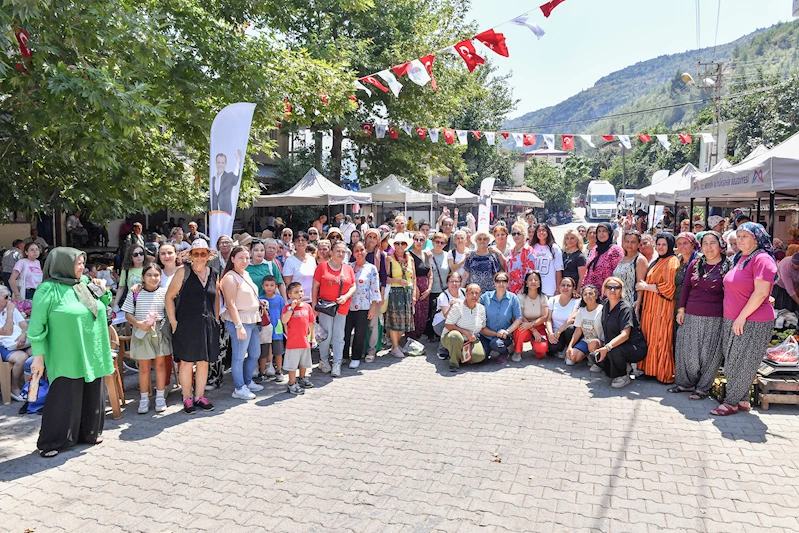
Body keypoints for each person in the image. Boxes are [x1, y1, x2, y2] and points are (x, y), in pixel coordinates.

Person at [28, 248, 113, 457]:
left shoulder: (83, 283)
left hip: (92, 350)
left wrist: (103, 289)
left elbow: (103, 304)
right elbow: (36, 328)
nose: (82, 267)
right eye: (78, 263)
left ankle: (88, 433)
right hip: (66, 353)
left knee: (92, 391)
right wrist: (38, 359)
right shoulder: (48, 289)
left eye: (83, 263)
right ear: (63, 265)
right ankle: (53, 441)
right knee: (64, 396)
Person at [712, 223, 778, 416]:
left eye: (745, 236)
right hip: (734, 318)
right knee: (733, 361)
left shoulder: (762, 259)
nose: (740, 240)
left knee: (744, 362)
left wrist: (741, 317)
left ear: (756, 239)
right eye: (738, 236)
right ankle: (742, 400)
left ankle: (731, 402)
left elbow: (760, 293)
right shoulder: (741, 258)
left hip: (753, 321)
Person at [671, 231, 730, 399]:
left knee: (709, 354)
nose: (709, 247)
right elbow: (685, 289)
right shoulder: (696, 263)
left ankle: (703, 388)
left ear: (720, 245)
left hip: (716, 316)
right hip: (691, 313)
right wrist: (681, 309)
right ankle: (686, 384)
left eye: (713, 243)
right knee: (688, 351)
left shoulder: (727, 265)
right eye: (705, 243)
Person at [165, 239, 219, 414]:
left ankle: (200, 396)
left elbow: (216, 298)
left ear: (208, 256)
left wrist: (216, 319)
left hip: (207, 323)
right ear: (190, 256)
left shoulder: (214, 273)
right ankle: (187, 397)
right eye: (196, 254)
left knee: (204, 362)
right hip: (187, 324)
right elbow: (169, 297)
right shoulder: (183, 272)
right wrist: (173, 322)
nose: (200, 257)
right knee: (187, 362)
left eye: (203, 254)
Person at [122, 263, 171, 413]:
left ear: (160, 276)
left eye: (156, 275)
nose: (153, 278)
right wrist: (138, 323)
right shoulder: (135, 293)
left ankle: (160, 397)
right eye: (149, 275)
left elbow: (169, 311)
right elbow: (127, 313)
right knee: (143, 368)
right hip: (141, 333)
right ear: (143, 277)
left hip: (159, 332)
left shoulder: (164, 293)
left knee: (160, 366)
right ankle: (143, 399)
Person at [221, 246, 264, 401]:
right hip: (239, 322)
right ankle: (239, 388)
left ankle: (247, 381)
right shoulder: (230, 278)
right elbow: (230, 304)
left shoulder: (245, 274)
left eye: (247, 258)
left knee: (254, 354)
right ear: (232, 259)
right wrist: (239, 326)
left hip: (252, 320)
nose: (245, 261)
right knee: (239, 356)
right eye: (241, 257)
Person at [637, 233, 680, 384]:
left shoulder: (672, 261)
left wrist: (645, 287)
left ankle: (663, 373)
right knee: (649, 338)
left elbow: (669, 288)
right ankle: (649, 370)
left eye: (664, 244)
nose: (661, 247)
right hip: (651, 308)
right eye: (659, 244)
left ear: (669, 246)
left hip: (662, 309)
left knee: (661, 340)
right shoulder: (659, 260)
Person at [591, 277, 649, 388]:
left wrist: (607, 347)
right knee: (594, 356)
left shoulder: (625, 308)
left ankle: (623, 375)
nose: (612, 290)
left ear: (621, 290)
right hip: (615, 345)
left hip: (634, 347)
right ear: (604, 290)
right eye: (609, 287)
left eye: (616, 287)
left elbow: (625, 335)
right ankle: (623, 365)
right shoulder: (606, 304)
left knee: (614, 351)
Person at [312, 241, 356, 376]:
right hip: (326, 306)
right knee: (326, 335)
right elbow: (315, 287)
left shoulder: (348, 268)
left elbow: (353, 285)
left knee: (339, 335)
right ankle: (324, 360)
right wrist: (314, 306)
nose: (341, 254)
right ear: (331, 252)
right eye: (338, 251)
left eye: (343, 251)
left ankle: (337, 362)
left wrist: (346, 296)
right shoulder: (322, 267)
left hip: (342, 306)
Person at [343, 242, 381, 369]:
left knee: (360, 333)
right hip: (347, 306)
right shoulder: (348, 267)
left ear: (365, 251)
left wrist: (373, 307)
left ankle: (355, 357)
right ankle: (344, 356)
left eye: (361, 250)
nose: (359, 253)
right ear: (353, 253)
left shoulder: (371, 268)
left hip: (363, 306)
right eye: (356, 250)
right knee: (345, 332)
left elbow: (375, 288)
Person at [384, 234, 417, 359]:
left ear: (406, 245)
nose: (400, 246)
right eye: (397, 243)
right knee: (395, 321)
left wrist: (413, 293)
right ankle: (395, 345)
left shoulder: (410, 258)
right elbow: (385, 278)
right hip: (395, 291)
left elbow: (413, 277)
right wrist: (397, 281)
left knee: (404, 322)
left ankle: (395, 346)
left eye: (403, 243)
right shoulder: (389, 259)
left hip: (407, 292)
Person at [479, 271, 522, 364]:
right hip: (486, 334)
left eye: (504, 281)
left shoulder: (513, 298)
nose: (501, 283)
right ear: (494, 283)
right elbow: (473, 307)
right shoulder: (485, 297)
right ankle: (489, 350)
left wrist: (507, 331)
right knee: (481, 358)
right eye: (498, 281)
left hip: (504, 336)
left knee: (495, 344)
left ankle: (505, 352)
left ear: (508, 283)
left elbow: (519, 318)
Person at [442, 283, 487, 372]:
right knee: (455, 336)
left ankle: (459, 354)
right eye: (471, 293)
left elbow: (483, 327)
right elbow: (448, 325)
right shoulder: (458, 306)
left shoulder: (481, 308)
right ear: (466, 294)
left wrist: (497, 333)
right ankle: (454, 363)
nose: (474, 295)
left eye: (477, 293)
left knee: (479, 356)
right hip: (452, 337)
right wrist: (466, 333)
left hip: (470, 339)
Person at [281, 282, 315, 395]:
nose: (300, 294)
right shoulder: (287, 308)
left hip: (305, 341)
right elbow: (284, 320)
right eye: (296, 292)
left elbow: (311, 323)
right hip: (293, 342)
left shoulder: (307, 307)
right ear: (290, 295)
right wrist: (292, 307)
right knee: (292, 365)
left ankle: (302, 378)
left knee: (304, 363)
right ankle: (291, 384)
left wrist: (312, 338)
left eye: (301, 291)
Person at [361, 228, 388, 360]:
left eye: (374, 237)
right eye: (369, 237)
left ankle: (371, 349)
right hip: (359, 294)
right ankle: (359, 349)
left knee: (373, 323)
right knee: (360, 323)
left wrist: (381, 296)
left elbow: (383, 277)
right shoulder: (360, 252)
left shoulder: (381, 255)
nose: (371, 240)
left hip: (374, 294)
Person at [0, 285, 32, 401]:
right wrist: (9, 312)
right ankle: (14, 387)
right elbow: (7, 331)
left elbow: (24, 325)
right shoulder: (10, 309)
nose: (9, 300)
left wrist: (23, 334)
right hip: (3, 346)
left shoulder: (12, 309)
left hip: (20, 342)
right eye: (6, 297)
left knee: (37, 351)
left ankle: (34, 387)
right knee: (21, 357)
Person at [512, 270, 548, 360]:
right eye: (530, 279)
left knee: (542, 349)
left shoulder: (543, 297)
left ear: (539, 283)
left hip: (538, 326)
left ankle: (535, 347)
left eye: (536, 280)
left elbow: (544, 317)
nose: (533, 282)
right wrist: (532, 329)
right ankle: (517, 352)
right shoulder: (521, 297)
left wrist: (533, 326)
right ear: (526, 283)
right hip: (524, 324)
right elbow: (520, 315)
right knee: (519, 330)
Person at [256, 275, 286, 384]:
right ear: (263, 286)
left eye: (272, 285)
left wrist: (285, 328)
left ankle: (279, 371)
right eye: (267, 285)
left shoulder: (279, 299)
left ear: (276, 286)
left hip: (277, 328)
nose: (269, 287)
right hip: (264, 328)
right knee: (263, 352)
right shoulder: (260, 299)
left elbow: (283, 313)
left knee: (278, 351)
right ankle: (262, 372)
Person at [565, 285, 604, 367]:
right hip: (586, 340)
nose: (588, 296)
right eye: (585, 294)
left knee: (592, 343)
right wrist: (570, 346)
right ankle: (588, 355)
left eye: (590, 293)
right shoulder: (581, 311)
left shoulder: (602, 310)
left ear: (596, 295)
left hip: (600, 341)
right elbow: (578, 331)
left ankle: (596, 361)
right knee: (572, 358)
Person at [581, 223, 623, 295]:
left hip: (607, 293)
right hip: (591, 294)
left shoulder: (615, 250)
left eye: (604, 231)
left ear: (609, 233)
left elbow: (618, 274)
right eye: (599, 231)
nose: (601, 234)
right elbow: (588, 272)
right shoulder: (595, 249)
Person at [612, 230, 649, 313]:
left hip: (630, 302)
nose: (629, 245)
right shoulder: (623, 258)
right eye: (627, 241)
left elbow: (641, 283)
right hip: (618, 301)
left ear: (639, 244)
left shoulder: (640, 260)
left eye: (633, 242)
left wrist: (638, 302)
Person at [432, 272, 466, 359]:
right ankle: (442, 350)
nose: (454, 284)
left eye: (457, 281)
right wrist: (451, 307)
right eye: (451, 281)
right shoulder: (443, 296)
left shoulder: (464, 292)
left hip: (458, 321)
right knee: (454, 327)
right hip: (440, 324)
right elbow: (447, 316)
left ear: (460, 283)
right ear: (447, 283)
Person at [546, 277, 580, 358]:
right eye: (563, 285)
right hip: (555, 333)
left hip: (567, 333)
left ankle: (568, 348)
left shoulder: (577, 301)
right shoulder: (552, 300)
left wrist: (559, 331)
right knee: (553, 347)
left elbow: (571, 319)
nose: (565, 287)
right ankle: (560, 349)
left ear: (573, 288)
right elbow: (548, 319)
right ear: (559, 287)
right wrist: (551, 334)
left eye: (568, 285)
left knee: (570, 329)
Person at [409, 232, 433, 340]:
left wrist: (429, 288)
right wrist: (416, 288)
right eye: (416, 239)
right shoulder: (409, 255)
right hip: (415, 288)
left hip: (425, 290)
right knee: (414, 314)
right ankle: (411, 338)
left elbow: (430, 273)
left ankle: (418, 337)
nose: (419, 242)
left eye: (422, 240)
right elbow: (410, 274)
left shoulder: (426, 255)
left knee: (423, 315)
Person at [530, 224, 563, 297]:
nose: (541, 232)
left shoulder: (554, 248)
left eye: (543, 230)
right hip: (535, 288)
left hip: (550, 289)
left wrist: (558, 288)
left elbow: (558, 270)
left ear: (548, 232)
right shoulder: (532, 247)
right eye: (539, 231)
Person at [283, 232, 316, 301]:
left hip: (311, 299)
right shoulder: (290, 261)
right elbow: (288, 284)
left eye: (303, 240)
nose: (300, 242)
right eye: (297, 240)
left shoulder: (312, 259)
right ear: (294, 243)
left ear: (307, 242)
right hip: (297, 301)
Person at [112, 244, 146, 310]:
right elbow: (121, 287)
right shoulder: (126, 270)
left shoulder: (149, 268)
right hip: (130, 303)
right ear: (131, 257)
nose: (139, 256)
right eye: (135, 255)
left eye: (141, 253)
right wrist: (115, 304)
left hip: (146, 302)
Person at [505, 221, 535, 295]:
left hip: (522, 291)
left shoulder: (528, 251)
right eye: (514, 234)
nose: (516, 236)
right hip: (509, 290)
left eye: (518, 233)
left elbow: (529, 274)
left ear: (524, 234)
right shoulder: (511, 251)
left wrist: (522, 291)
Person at [211, 150, 242, 214]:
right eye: (218, 162)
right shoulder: (212, 179)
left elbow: (235, 179)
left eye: (222, 163)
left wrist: (238, 164)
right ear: (216, 163)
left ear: (225, 164)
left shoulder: (229, 176)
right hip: (214, 212)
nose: (220, 165)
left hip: (226, 212)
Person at [674, 232, 699, 304]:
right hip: (677, 302)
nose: (682, 246)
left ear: (693, 244)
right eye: (679, 244)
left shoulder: (699, 260)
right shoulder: (678, 260)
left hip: (692, 303)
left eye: (685, 243)